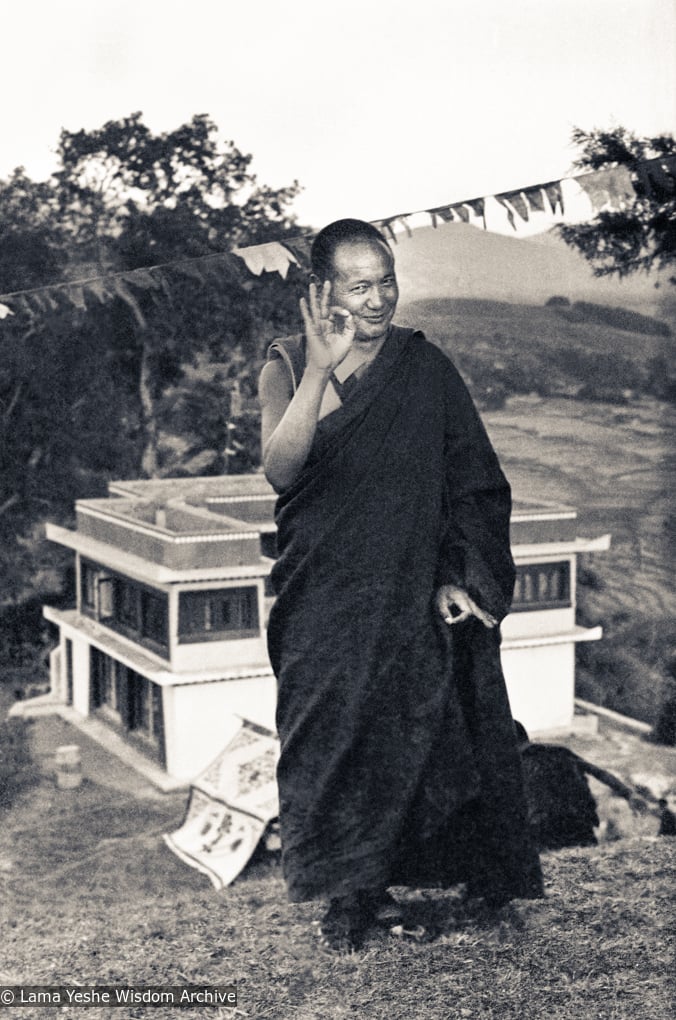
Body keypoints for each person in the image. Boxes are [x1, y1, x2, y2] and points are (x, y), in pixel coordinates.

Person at [258, 218, 544, 951]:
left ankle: (436, 881)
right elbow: (281, 470)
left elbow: (470, 483)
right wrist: (322, 368)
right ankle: (350, 898)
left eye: (386, 280)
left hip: (408, 590)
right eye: (360, 285)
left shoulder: (425, 366)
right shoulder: (288, 363)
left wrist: (455, 576)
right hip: (322, 597)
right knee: (332, 742)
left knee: (416, 735)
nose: (380, 298)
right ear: (322, 291)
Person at [514, 721, 651, 849]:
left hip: (543, 829)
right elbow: (599, 773)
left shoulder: (511, 765)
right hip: (580, 822)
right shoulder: (559, 751)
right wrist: (629, 794)